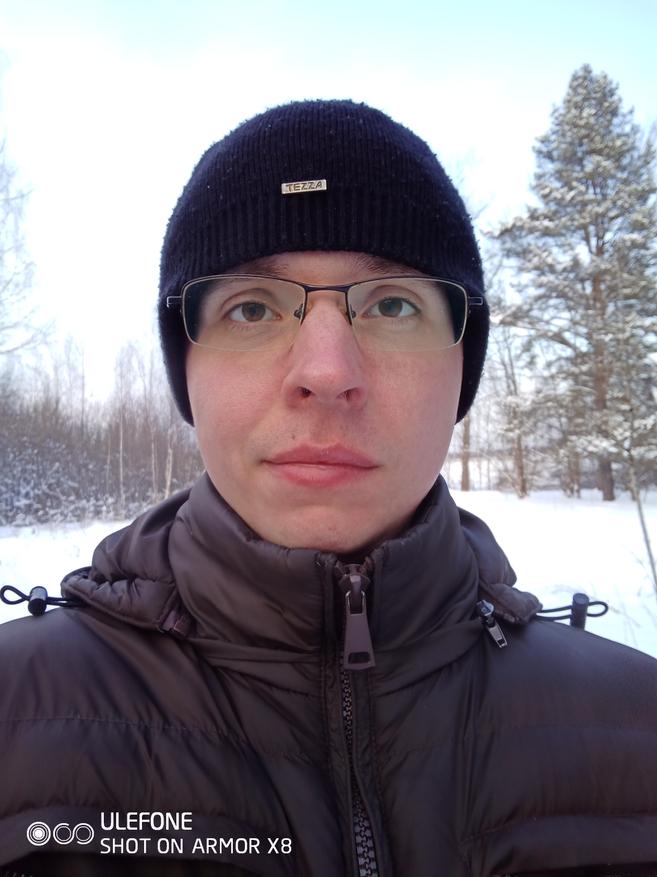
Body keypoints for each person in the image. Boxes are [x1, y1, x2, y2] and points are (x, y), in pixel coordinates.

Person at [0, 99, 656, 877]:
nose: (325, 372)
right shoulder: (14, 717)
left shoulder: (638, 727)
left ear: (462, 370)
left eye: (392, 304)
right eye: (251, 308)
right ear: (187, 372)